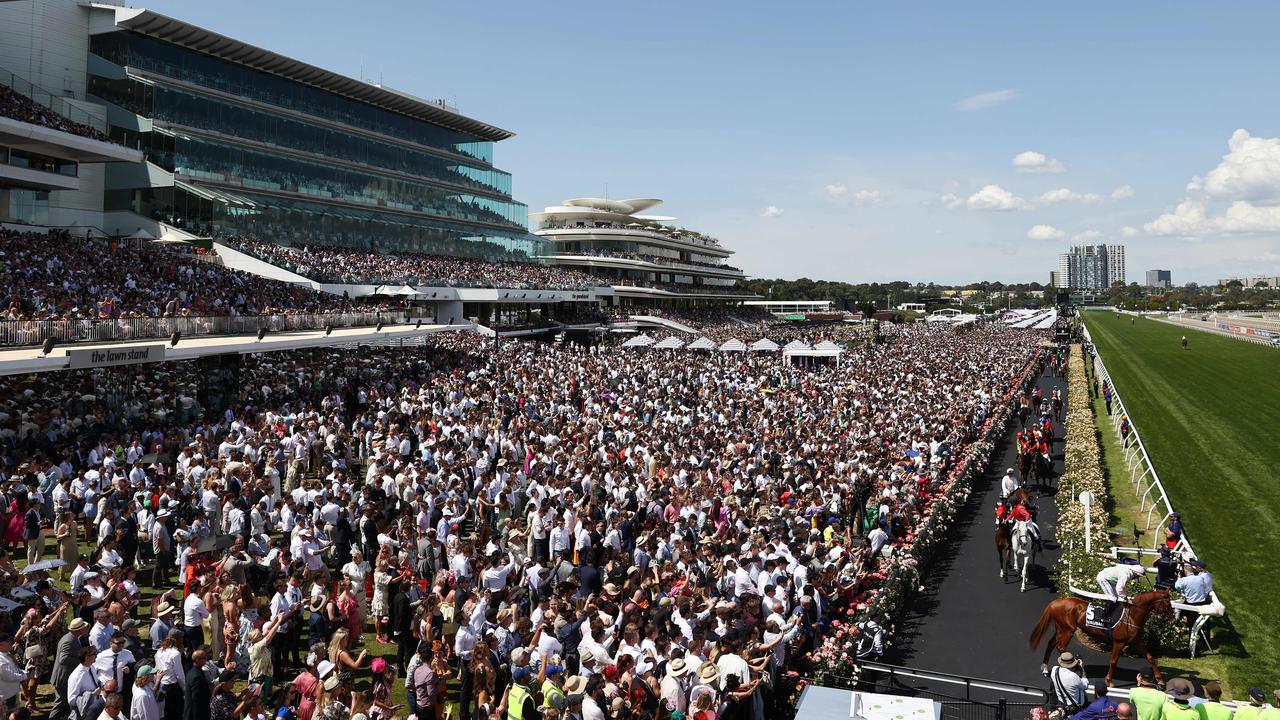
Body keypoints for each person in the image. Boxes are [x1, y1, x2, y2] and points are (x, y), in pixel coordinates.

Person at [0, 633, 28, 712]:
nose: (11, 642)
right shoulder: (1, 659)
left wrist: (24, 673)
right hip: (5, 697)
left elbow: (15, 670)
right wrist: (26, 676)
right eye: (8, 641)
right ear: (0, 644)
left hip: (12, 693)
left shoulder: (7, 654)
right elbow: (9, 676)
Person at [183, 647, 212, 720]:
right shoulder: (196, 676)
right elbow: (196, 700)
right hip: (197, 715)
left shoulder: (194, 671)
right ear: (197, 660)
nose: (206, 659)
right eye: (204, 658)